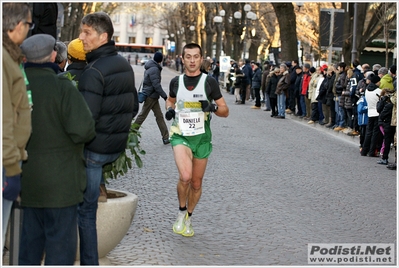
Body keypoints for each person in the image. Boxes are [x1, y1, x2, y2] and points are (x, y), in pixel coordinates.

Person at [18, 34, 96, 265]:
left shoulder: (16, 87)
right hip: (62, 186)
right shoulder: (61, 87)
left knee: (29, 248)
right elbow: (84, 130)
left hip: (27, 182)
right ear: (53, 55)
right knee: (60, 250)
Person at [77, 11, 138, 265]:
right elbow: (133, 107)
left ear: (103, 37)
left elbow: (85, 120)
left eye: (87, 33)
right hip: (114, 146)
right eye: (82, 32)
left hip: (94, 152)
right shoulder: (125, 65)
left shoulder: (93, 71)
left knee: (85, 211)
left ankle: (90, 262)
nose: (81, 38)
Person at [164, 43, 229, 237]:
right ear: (182, 59)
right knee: (185, 176)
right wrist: (169, 108)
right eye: (188, 57)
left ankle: (188, 218)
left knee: (196, 183)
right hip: (180, 135)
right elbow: (171, 100)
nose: (192, 60)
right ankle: (181, 212)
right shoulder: (176, 82)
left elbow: (225, 111)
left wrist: (212, 108)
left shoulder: (209, 83)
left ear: (202, 59)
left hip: (201, 138)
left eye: (196, 57)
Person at [2, 2, 32, 249]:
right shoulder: (3, 58)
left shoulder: (10, 55)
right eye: (29, 24)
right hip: (5, 161)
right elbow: (4, 117)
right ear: (19, 25)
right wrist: (11, 166)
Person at [133, 51, 169, 145]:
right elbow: (156, 85)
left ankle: (166, 137)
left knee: (159, 116)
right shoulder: (154, 69)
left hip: (152, 95)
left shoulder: (151, 67)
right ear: (160, 60)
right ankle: (131, 135)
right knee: (143, 116)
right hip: (150, 96)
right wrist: (165, 96)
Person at [360, 73, 382, 157]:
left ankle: (364, 150)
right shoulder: (378, 91)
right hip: (377, 113)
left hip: (370, 112)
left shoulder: (367, 90)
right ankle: (372, 151)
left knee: (368, 132)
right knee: (375, 133)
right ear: (377, 82)